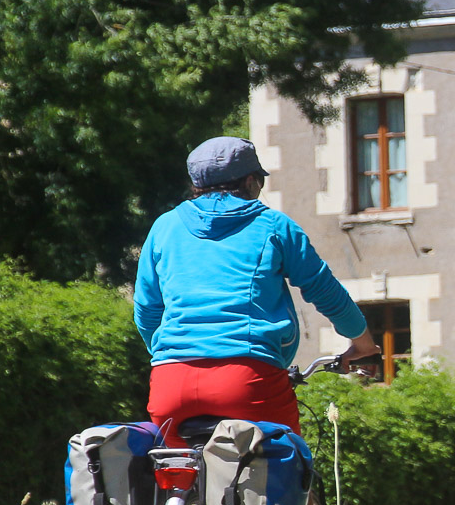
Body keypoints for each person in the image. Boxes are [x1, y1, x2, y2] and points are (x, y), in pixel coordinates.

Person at [134, 136, 378, 444]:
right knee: (285, 470)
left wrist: (170, 355)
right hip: (248, 380)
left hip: (171, 385)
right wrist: (363, 343)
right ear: (250, 181)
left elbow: (146, 309)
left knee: (176, 471)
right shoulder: (273, 225)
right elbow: (324, 289)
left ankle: (179, 493)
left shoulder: (163, 227)